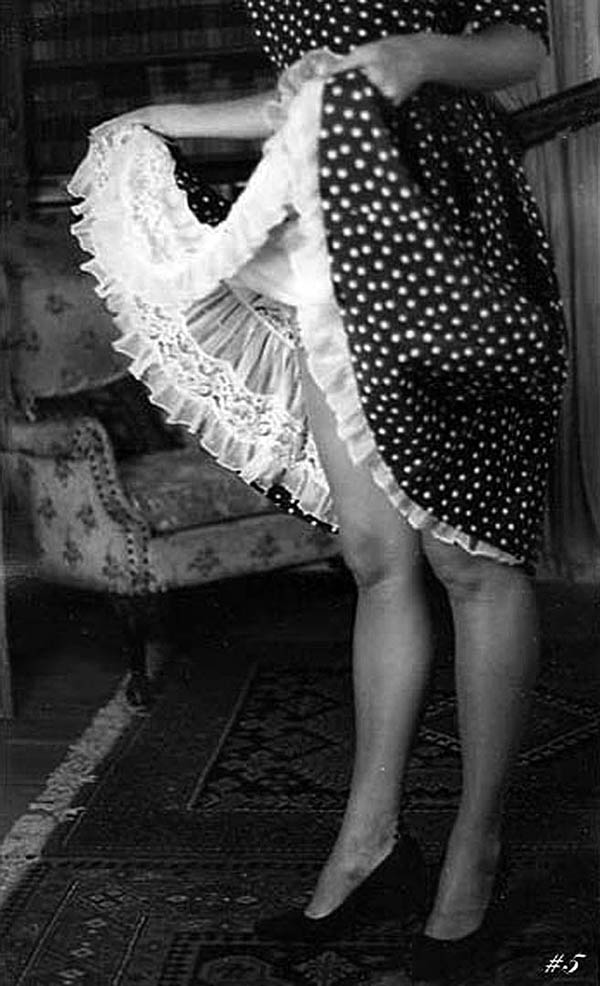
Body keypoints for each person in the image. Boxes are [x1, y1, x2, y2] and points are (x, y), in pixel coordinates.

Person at [67, 1, 568, 980]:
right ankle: (369, 845)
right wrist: (167, 118)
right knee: (376, 560)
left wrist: (417, 56)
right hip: (331, 234)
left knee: (470, 566)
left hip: (440, 230)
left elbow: (522, 45)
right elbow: (307, 97)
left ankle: (475, 853)